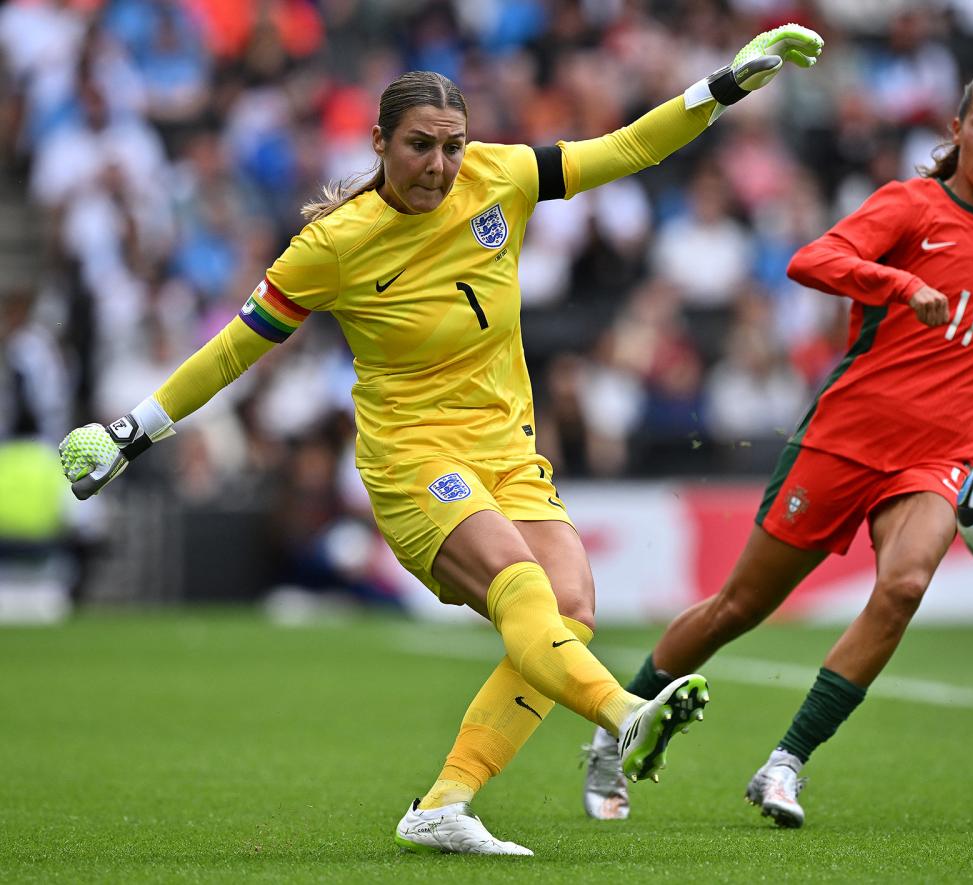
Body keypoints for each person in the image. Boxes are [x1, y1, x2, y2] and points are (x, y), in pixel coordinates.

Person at [56, 26, 826, 856]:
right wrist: (131, 431)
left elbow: (629, 147)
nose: (439, 165)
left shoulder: (500, 176)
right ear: (380, 142)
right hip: (415, 462)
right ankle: (624, 715)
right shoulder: (333, 245)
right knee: (524, 588)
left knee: (572, 609)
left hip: (509, 452)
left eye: (452, 146)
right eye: (420, 146)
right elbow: (235, 346)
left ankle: (444, 802)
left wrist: (722, 85)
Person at [583, 67, 973, 827]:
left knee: (902, 589)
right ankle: (615, 728)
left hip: (939, 459)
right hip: (843, 439)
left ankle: (784, 763)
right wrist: (899, 286)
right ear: (957, 128)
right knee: (740, 606)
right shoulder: (909, 206)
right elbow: (812, 261)